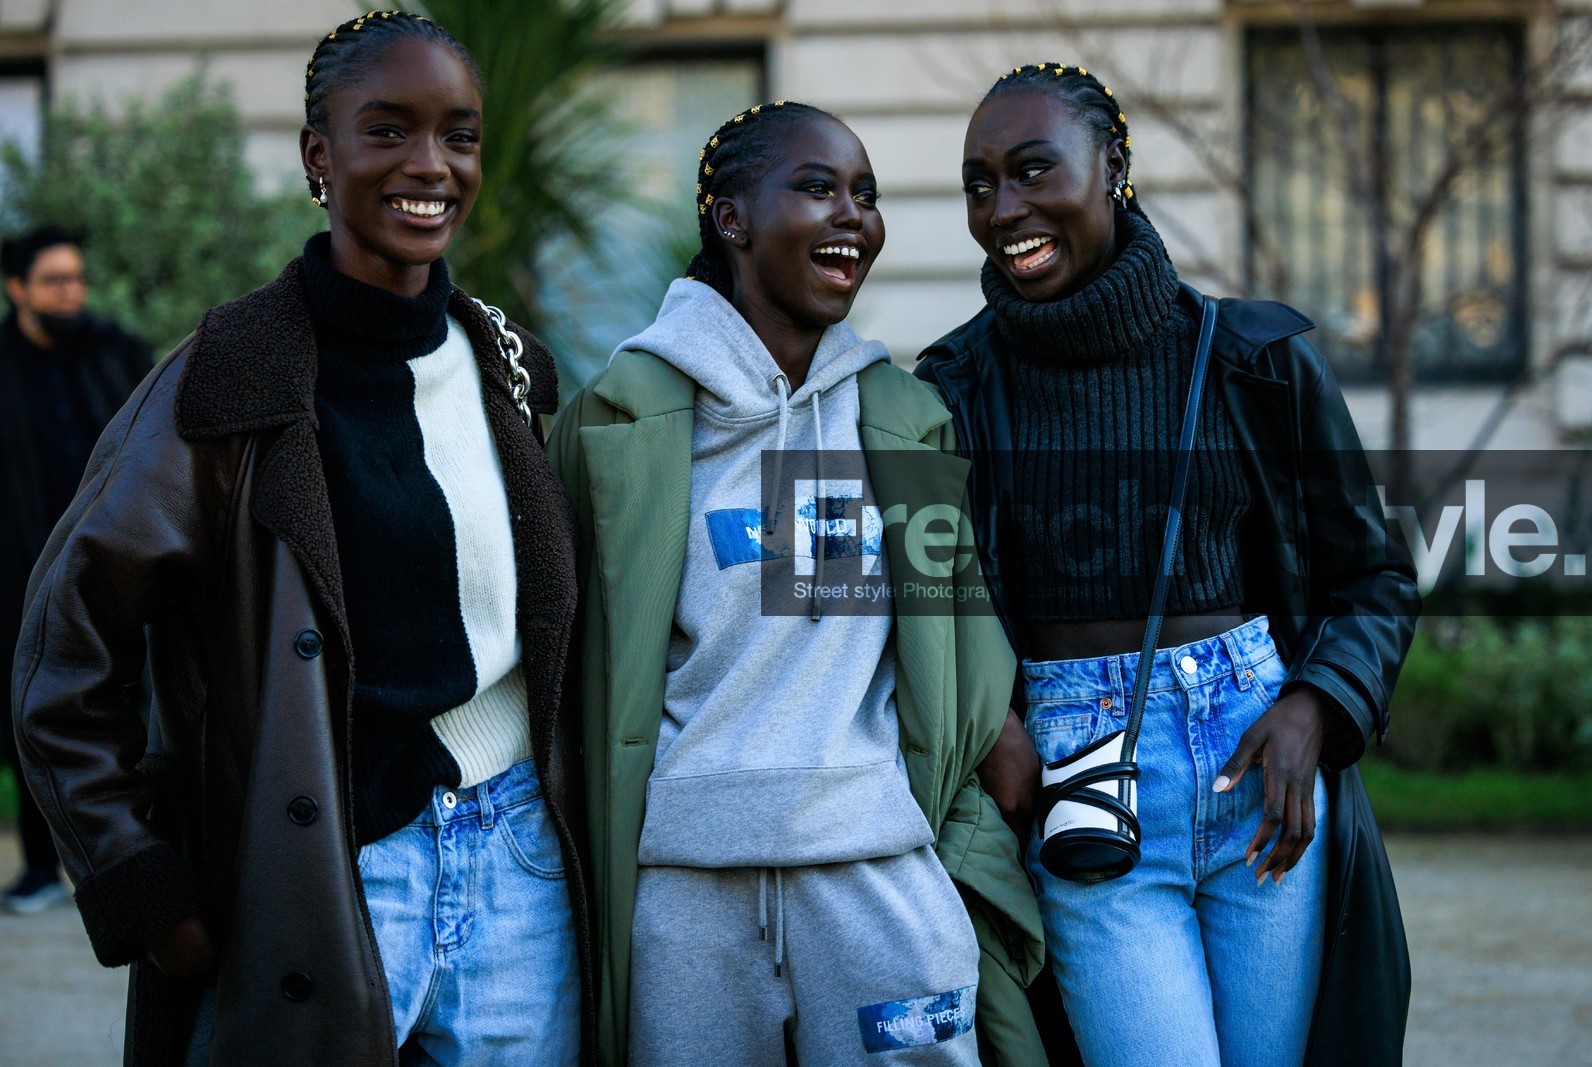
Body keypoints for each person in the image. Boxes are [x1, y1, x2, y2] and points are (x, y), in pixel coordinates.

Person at [10, 11, 586, 1065]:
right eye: (388, 130)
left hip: (519, 862)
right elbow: (62, 650)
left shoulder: (508, 364)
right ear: (320, 155)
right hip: (329, 869)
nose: (431, 165)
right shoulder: (227, 379)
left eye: (457, 134)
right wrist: (136, 872)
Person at [915, 63, 1420, 1067]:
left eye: (1030, 170)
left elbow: (1372, 578)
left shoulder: (1253, 362)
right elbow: (927, 607)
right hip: (1082, 779)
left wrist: (1316, 703)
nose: (1002, 208)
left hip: (1262, 775)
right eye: (979, 182)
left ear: (1114, 168)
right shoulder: (952, 391)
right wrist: (992, 727)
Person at [547, 100, 1047, 1066]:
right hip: (686, 896)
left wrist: (992, 742)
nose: (853, 216)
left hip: (879, 879)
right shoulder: (618, 419)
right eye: (818, 189)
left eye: (866, 195)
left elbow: (958, 632)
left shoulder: (903, 416)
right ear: (731, 220)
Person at [1, 225, 149, 915]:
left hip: (118, 565)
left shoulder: (116, 355)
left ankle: (140, 858)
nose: (71, 293)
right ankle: (39, 868)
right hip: (19, 573)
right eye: (55, 281)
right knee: (33, 716)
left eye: (76, 279)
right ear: (17, 289)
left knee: (134, 706)